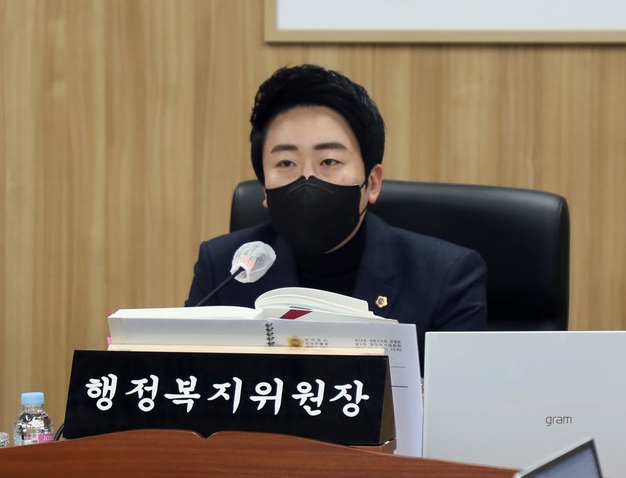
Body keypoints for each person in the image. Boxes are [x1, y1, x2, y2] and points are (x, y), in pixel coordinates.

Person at [186, 64, 487, 366]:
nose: (307, 179)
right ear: (264, 187)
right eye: (286, 163)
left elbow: (457, 394)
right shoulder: (223, 269)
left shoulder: (444, 276)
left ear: (372, 182)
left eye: (329, 161)